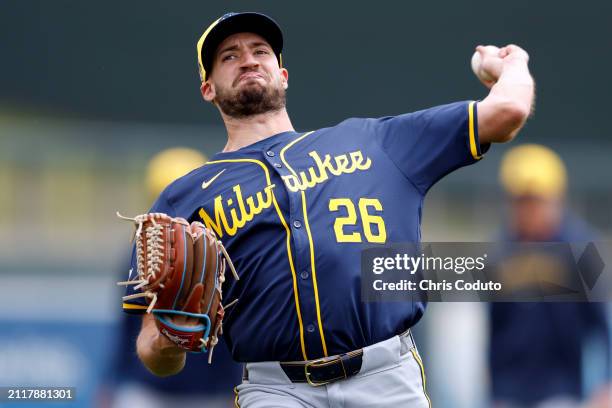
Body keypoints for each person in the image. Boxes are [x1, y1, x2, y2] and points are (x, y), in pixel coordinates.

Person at [122, 11, 534, 407]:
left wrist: (514, 65)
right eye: (229, 56)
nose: (247, 59)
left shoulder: (376, 142)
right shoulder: (183, 198)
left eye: (260, 51)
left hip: (386, 378)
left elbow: (508, 112)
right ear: (208, 87)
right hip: (275, 391)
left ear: (283, 75)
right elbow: (152, 350)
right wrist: (169, 339)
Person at [108, 148, 242, 408]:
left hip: (208, 392)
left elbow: (238, 329)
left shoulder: (224, 253)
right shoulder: (141, 251)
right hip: (149, 389)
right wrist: (112, 381)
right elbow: (127, 324)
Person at [489, 144, 610, 408]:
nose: (529, 210)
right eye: (521, 200)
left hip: (562, 387)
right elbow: (494, 330)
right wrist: (492, 391)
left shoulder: (579, 249)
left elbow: (602, 322)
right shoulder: (500, 252)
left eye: (536, 200)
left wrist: (607, 383)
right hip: (509, 389)